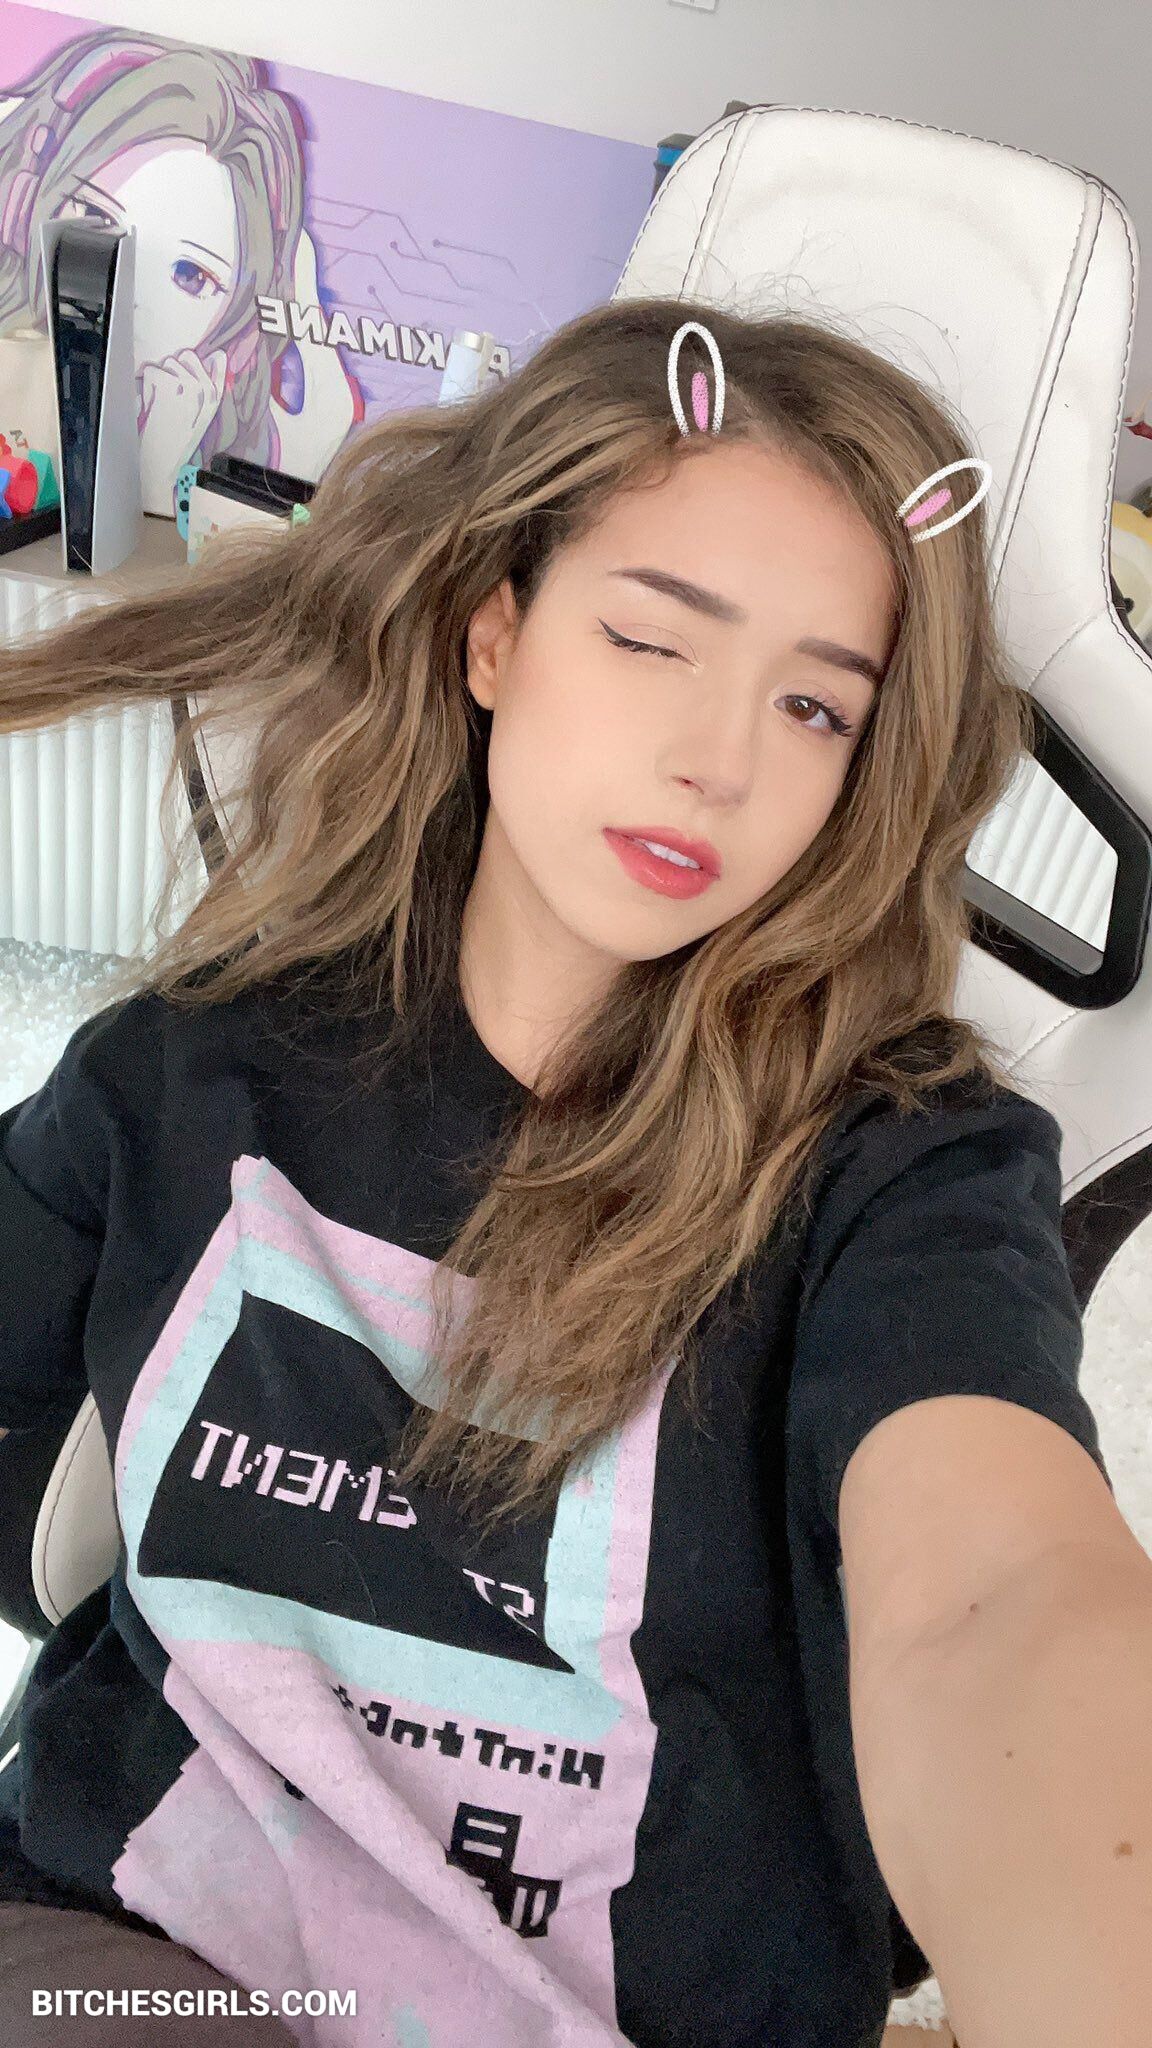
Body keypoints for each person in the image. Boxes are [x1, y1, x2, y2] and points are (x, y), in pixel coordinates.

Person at [0, 293, 1127, 2046]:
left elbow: (996, 1598)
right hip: (135, 1952)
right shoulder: (187, 1075)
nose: (720, 761)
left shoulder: (906, 1171)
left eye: (815, 708)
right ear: (493, 636)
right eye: (653, 639)